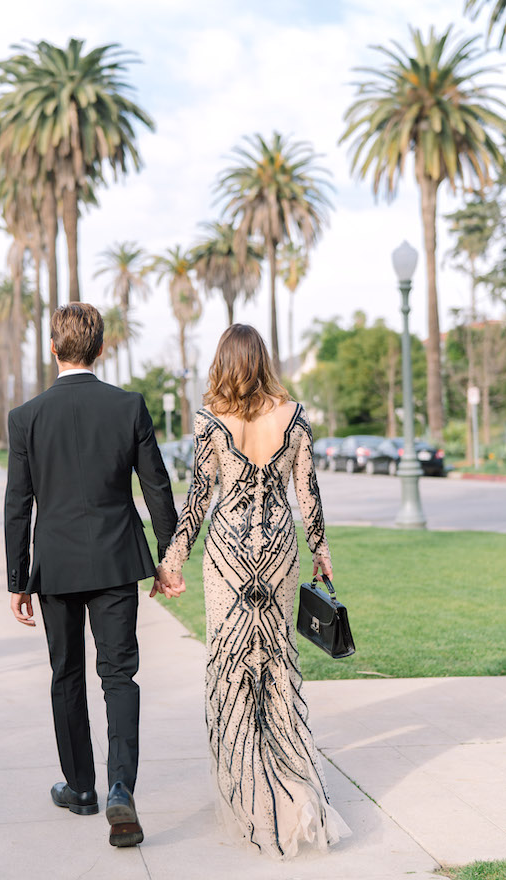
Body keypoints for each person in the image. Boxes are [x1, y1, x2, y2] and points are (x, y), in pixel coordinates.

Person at [154, 324, 351, 860]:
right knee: (277, 664)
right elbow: (307, 496)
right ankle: (294, 795)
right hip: (281, 550)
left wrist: (170, 563)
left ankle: (253, 804)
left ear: (224, 360)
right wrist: (322, 555)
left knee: (232, 669)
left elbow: (196, 500)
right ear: (262, 360)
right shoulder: (294, 416)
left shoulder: (211, 421)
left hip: (228, 556)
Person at [4, 303, 179, 849]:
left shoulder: (26, 417)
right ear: (100, 349)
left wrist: (17, 579)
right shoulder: (128, 406)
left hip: (55, 565)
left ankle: (81, 789)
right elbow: (157, 487)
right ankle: (119, 788)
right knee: (119, 676)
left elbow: (18, 504)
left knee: (66, 675)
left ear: (53, 350)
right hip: (115, 562)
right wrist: (167, 553)